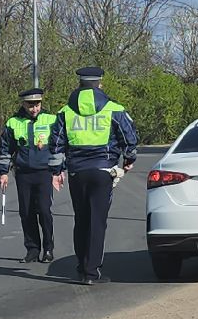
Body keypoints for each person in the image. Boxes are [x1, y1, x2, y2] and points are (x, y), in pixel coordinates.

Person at [49, 65, 137, 285]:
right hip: (102, 171)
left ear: (79, 84)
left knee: (81, 219)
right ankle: (91, 272)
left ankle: (81, 267)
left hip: (77, 172)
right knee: (97, 222)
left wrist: (56, 171)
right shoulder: (113, 108)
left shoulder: (65, 111)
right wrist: (129, 159)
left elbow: (56, 143)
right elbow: (129, 137)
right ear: (99, 83)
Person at [0, 87, 63, 264]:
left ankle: (48, 249)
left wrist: (60, 170)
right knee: (26, 212)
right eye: (30, 105)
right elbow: (5, 148)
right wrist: (3, 172)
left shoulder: (52, 120)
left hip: (44, 172)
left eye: (37, 104)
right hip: (23, 172)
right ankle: (32, 250)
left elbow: (60, 146)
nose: (34, 108)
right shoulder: (13, 122)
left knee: (44, 210)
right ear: (24, 104)